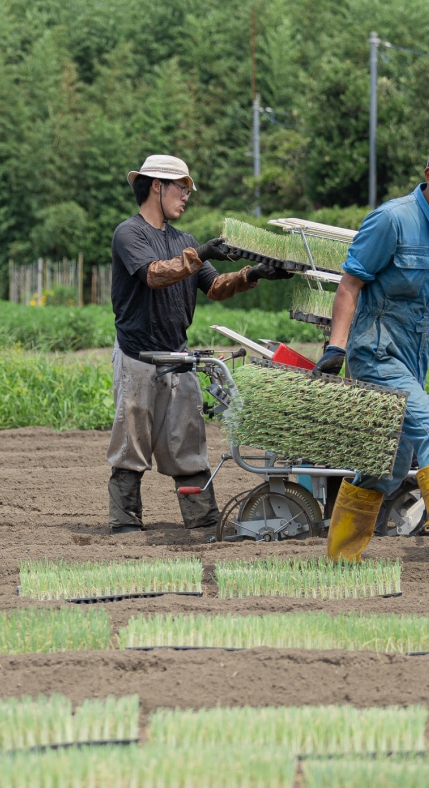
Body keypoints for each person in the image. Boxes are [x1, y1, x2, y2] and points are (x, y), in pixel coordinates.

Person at [313, 136, 429, 580]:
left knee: (388, 463)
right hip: (376, 355)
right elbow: (350, 285)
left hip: (413, 360)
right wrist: (336, 348)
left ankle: (340, 560)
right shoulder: (392, 221)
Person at [108, 154, 288, 535]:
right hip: (137, 359)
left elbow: (215, 287)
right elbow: (156, 275)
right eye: (182, 188)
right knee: (131, 446)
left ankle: (203, 521)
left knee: (189, 445)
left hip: (178, 358)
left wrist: (252, 273)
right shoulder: (129, 235)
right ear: (156, 186)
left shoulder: (182, 240)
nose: (187, 196)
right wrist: (201, 253)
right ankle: (125, 524)